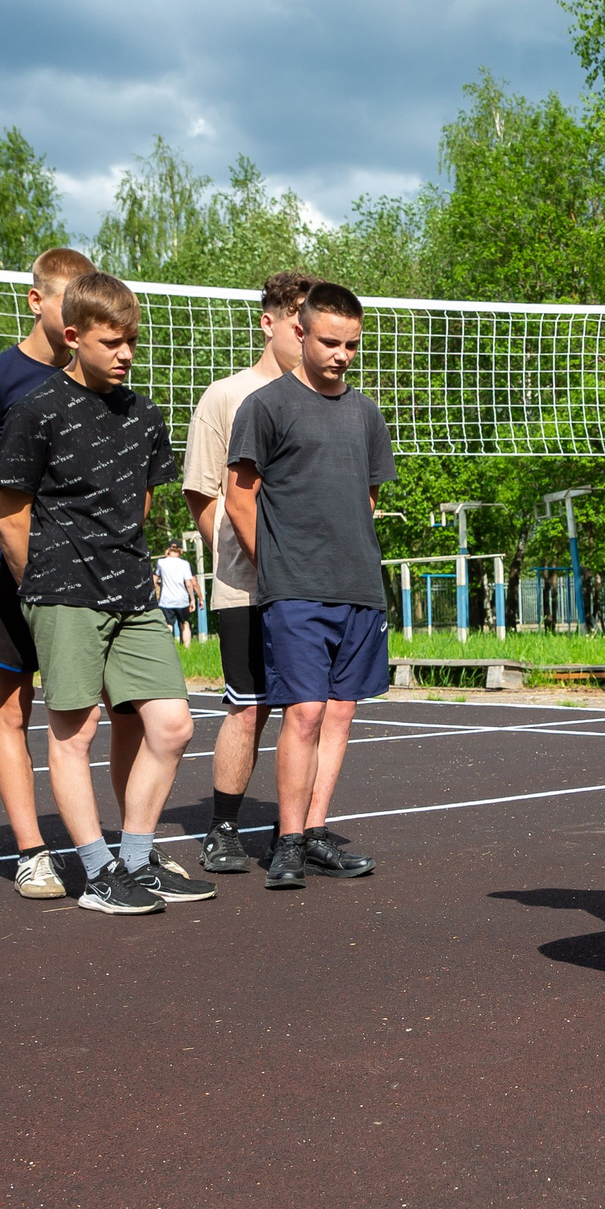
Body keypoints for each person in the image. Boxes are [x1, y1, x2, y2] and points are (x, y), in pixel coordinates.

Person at [0, 272, 211, 915]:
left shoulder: (143, 414)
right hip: (63, 591)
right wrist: (47, 582)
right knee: (75, 731)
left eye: (132, 343)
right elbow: (10, 513)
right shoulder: (36, 409)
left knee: (171, 726)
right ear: (73, 336)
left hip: (131, 589)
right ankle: (96, 872)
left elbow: (140, 501)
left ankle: (137, 861)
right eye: (112, 342)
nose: (125, 355)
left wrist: (124, 564)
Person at [0, 246, 97, 901]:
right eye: (68, 304)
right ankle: (32, 851)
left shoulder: (98, 377)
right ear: (37, 301)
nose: (76, 320)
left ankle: (121, 848)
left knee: (105, 710)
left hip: (84, 573)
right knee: (12, 709)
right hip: (4, 568)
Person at [223, 280, 390, 891]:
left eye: (351, 344)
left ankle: (316, 833)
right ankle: (287, 839)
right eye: (329, 341)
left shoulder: (366, 413)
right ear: (299, 332)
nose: (341, 354)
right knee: (304, 712)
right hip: (292, 589)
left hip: (358, 587)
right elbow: (239, 495)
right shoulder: (264, 406)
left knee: (341, 711)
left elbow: (366, 498)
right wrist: (275, 562)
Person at [179, 270, 313, 874]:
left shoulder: (326, 398)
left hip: (316, 589)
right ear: (270, 323)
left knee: (313, 711)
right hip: (248, 587)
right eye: (297, 325)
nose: (308, 336)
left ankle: (304, 831)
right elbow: (205, 495)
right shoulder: (227, 396)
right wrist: (249, 560)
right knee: (249, 707)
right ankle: (223, 826)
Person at [155, 543, 196, 642]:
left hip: (166, 600)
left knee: (168, 625)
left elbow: (154, 579)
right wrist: (192, 599)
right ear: (181, 551)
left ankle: (168, 646)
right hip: (182, 600)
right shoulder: (185, 564)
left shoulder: (161, 563)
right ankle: (187, 649)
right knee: (184, 624)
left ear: (168, 550)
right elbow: (189, 584)